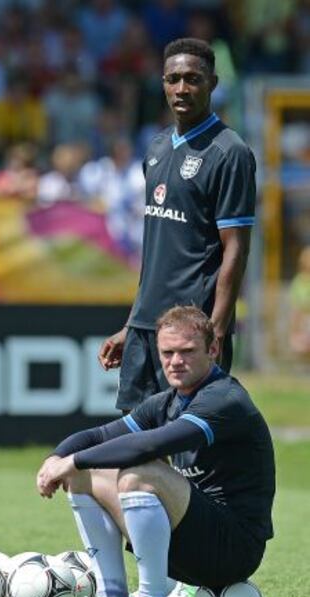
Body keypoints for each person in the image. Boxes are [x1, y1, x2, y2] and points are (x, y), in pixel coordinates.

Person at [36, 305, 275, 597]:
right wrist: (57, 457)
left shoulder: (225, 399)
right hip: (188, 545)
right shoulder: (167, 402)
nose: (176, 361)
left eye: (188, 351)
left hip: (234, 550)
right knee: (83, 475)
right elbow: (99, 435)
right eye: (168, 352)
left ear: (214, 349)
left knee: (139, 472)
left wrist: (71, 460)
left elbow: (149, 446)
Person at [98, 37, 256, 413]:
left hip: (191, 332)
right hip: (145, 328)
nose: (181, 88)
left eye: (193, 79)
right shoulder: (155, 148)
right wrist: (132, 324)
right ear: (163, 83)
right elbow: (158, 251)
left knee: (191, 455)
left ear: (213, 84)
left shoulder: (229, 152)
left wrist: (215, 331)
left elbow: (236, 247)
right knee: (134, 454)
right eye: (173, 79)